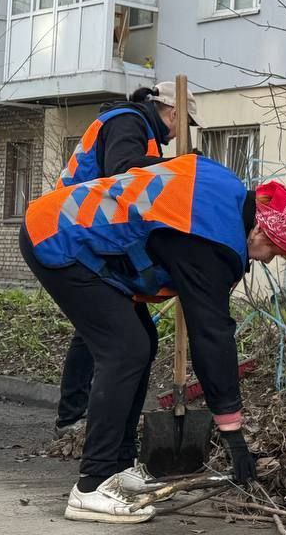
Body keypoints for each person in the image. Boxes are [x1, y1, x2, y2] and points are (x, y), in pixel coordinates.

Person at [20, 154, 286, 523]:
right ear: (259, 231)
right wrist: (231, 431)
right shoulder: (214, 242)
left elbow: (145, 162)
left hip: (67, 225)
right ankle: (91, 486)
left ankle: (118, 467)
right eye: (275, 251)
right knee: (125, 350)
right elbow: (212, 336)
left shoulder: (220, 184)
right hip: (57, 238)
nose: (269, 261)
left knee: (142, 340)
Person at [53, 82, 199, 440]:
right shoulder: (127, 122)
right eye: (186, 122)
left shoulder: (140, 130)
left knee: (123, 335)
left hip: (90, 237)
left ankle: (92, 421)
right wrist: (178, 168)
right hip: (74, 235)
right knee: (111, 337)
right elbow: (123, 171)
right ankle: (77, 421)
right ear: (173, 111)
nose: (182, 131)